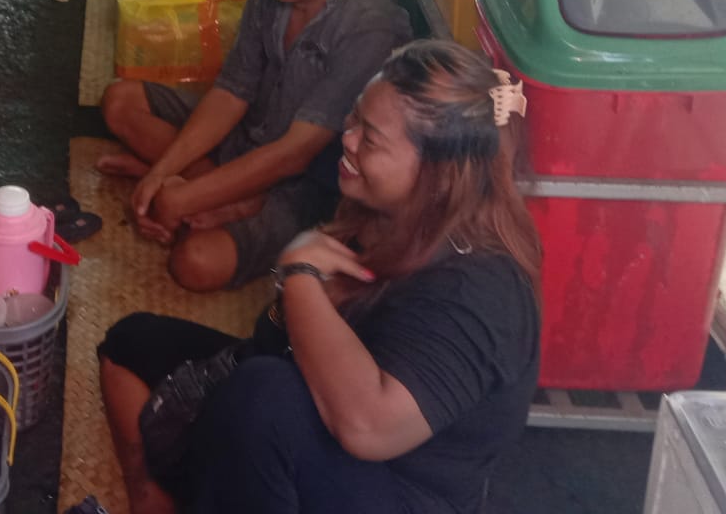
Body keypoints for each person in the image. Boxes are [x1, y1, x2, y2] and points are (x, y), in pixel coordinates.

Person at [99, 38, 542, 514]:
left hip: (395, 490)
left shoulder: (479, 292)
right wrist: (291, 298)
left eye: (370, 138)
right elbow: (277, 336)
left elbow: (368, 427)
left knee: (262, 400)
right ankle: (152, 499)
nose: (347, 138)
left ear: (440, 174)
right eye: (355, 118)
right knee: (132, 342)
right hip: (326, 430)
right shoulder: (385, 211)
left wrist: (300, 279)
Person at [102, 0, 409, 293]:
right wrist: (161, 175)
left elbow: (296, 154)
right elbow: (232, 93)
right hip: (247, 138)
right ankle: (220, 191)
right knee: (120, 99)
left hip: (301, 186)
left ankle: (221, 193)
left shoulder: (367, 27)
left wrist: (178, 199)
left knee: (194, 262)